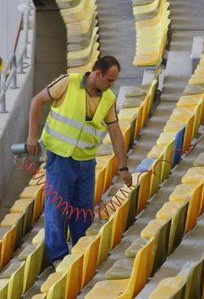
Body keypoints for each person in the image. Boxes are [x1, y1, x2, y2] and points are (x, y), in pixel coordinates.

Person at [26, 56, 133, 264]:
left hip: (86, 163)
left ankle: (79, 254)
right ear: (98, 73)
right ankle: (57, 258)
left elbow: (116, 133)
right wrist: (32, 135)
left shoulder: (108, 98)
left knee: (82, 211)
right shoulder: (68, 82)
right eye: (110, 80)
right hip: (60, 158)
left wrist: (123, 166)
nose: (112, 85)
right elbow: (37, 101)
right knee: (57, 209)